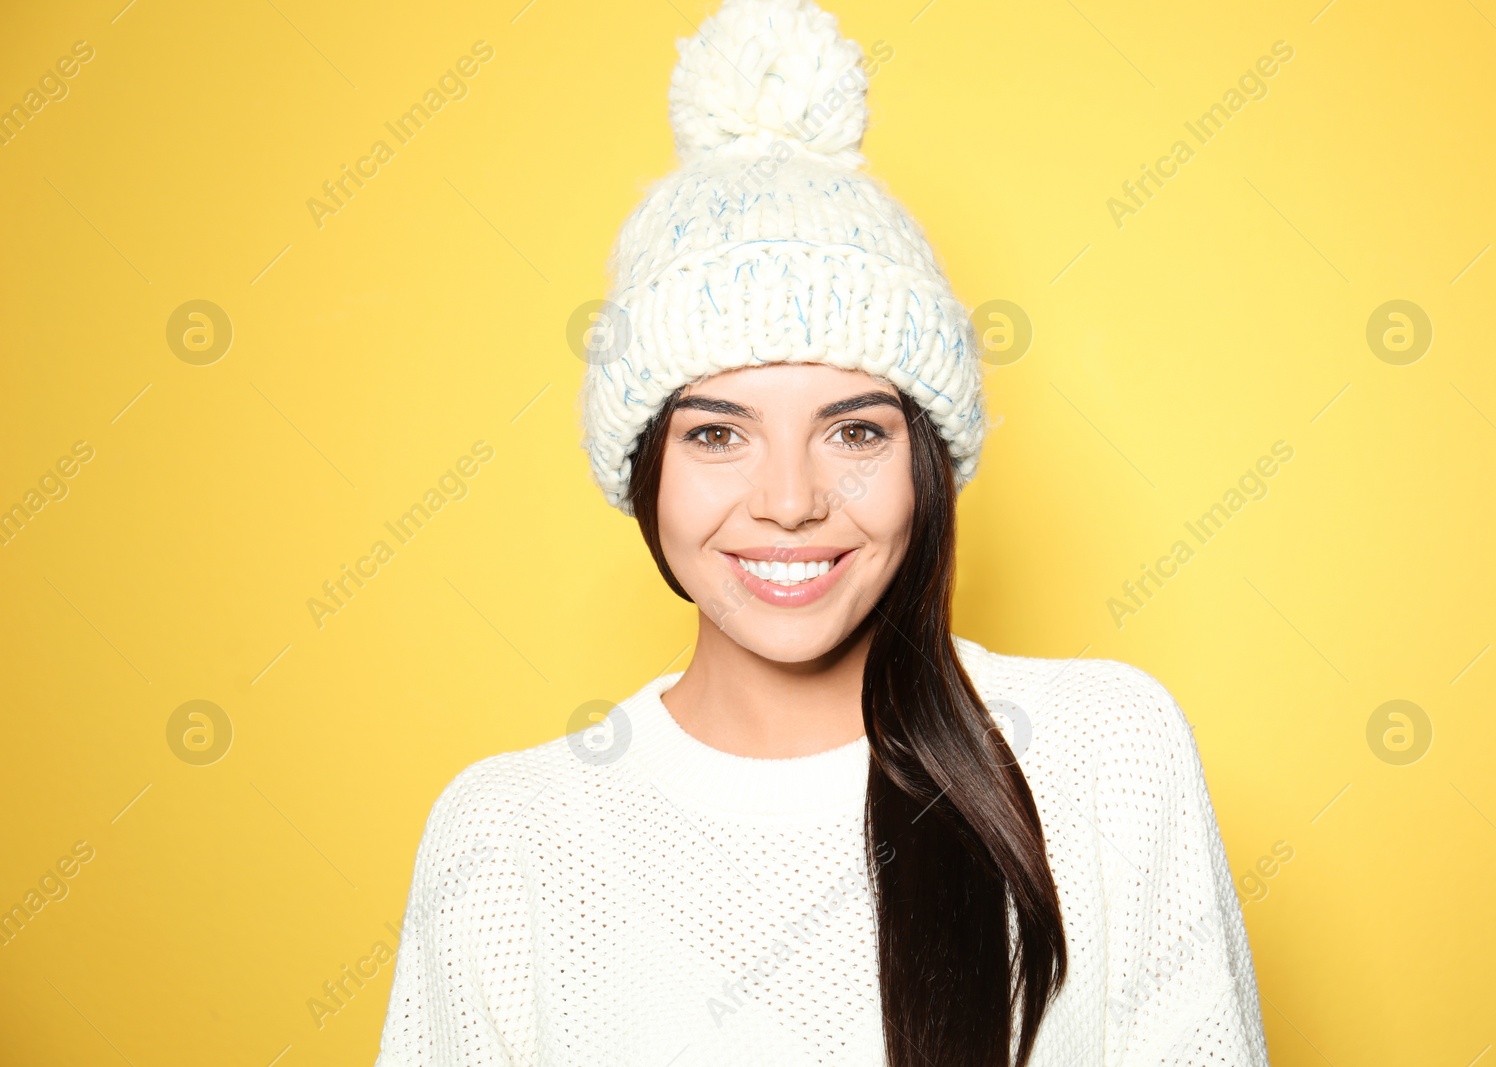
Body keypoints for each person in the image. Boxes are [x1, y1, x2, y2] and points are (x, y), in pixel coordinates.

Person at [375, 0, 1268, 1064]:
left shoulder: (1108, 755)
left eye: (853, 429)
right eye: (717, 433)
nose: (790, 498)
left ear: (924, 462)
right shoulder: (506, 834)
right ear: (644, 469)